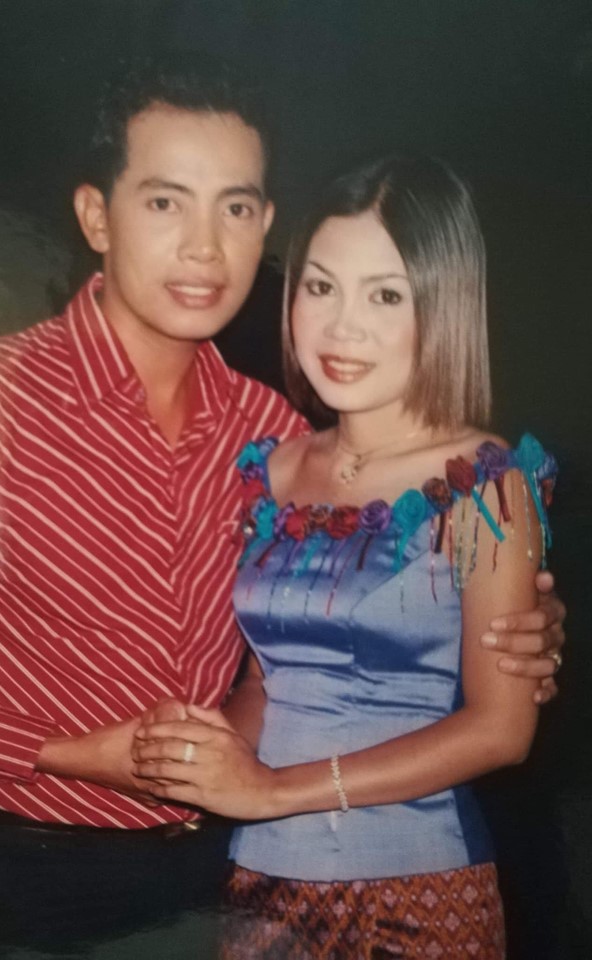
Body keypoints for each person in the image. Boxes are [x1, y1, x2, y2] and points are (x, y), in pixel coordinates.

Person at [0, 55, 562, 957]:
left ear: (265, 227)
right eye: (166, 202)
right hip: (20, 884)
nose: (205, 247)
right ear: (96, 216)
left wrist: (511, 622)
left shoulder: (268, 435)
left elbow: (313, 648)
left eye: (234, 208)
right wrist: (69, 753)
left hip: (222, 878)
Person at [132, 155, 560, 959]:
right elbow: (267, 680)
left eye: (386, 295)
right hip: (261, 883)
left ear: (442, 307)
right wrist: (209, 750)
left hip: (416, 890)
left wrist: (272, 791)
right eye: (321, 287)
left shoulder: (485, 479)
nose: (341, 327)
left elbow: (502, 729)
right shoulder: (273, 468)